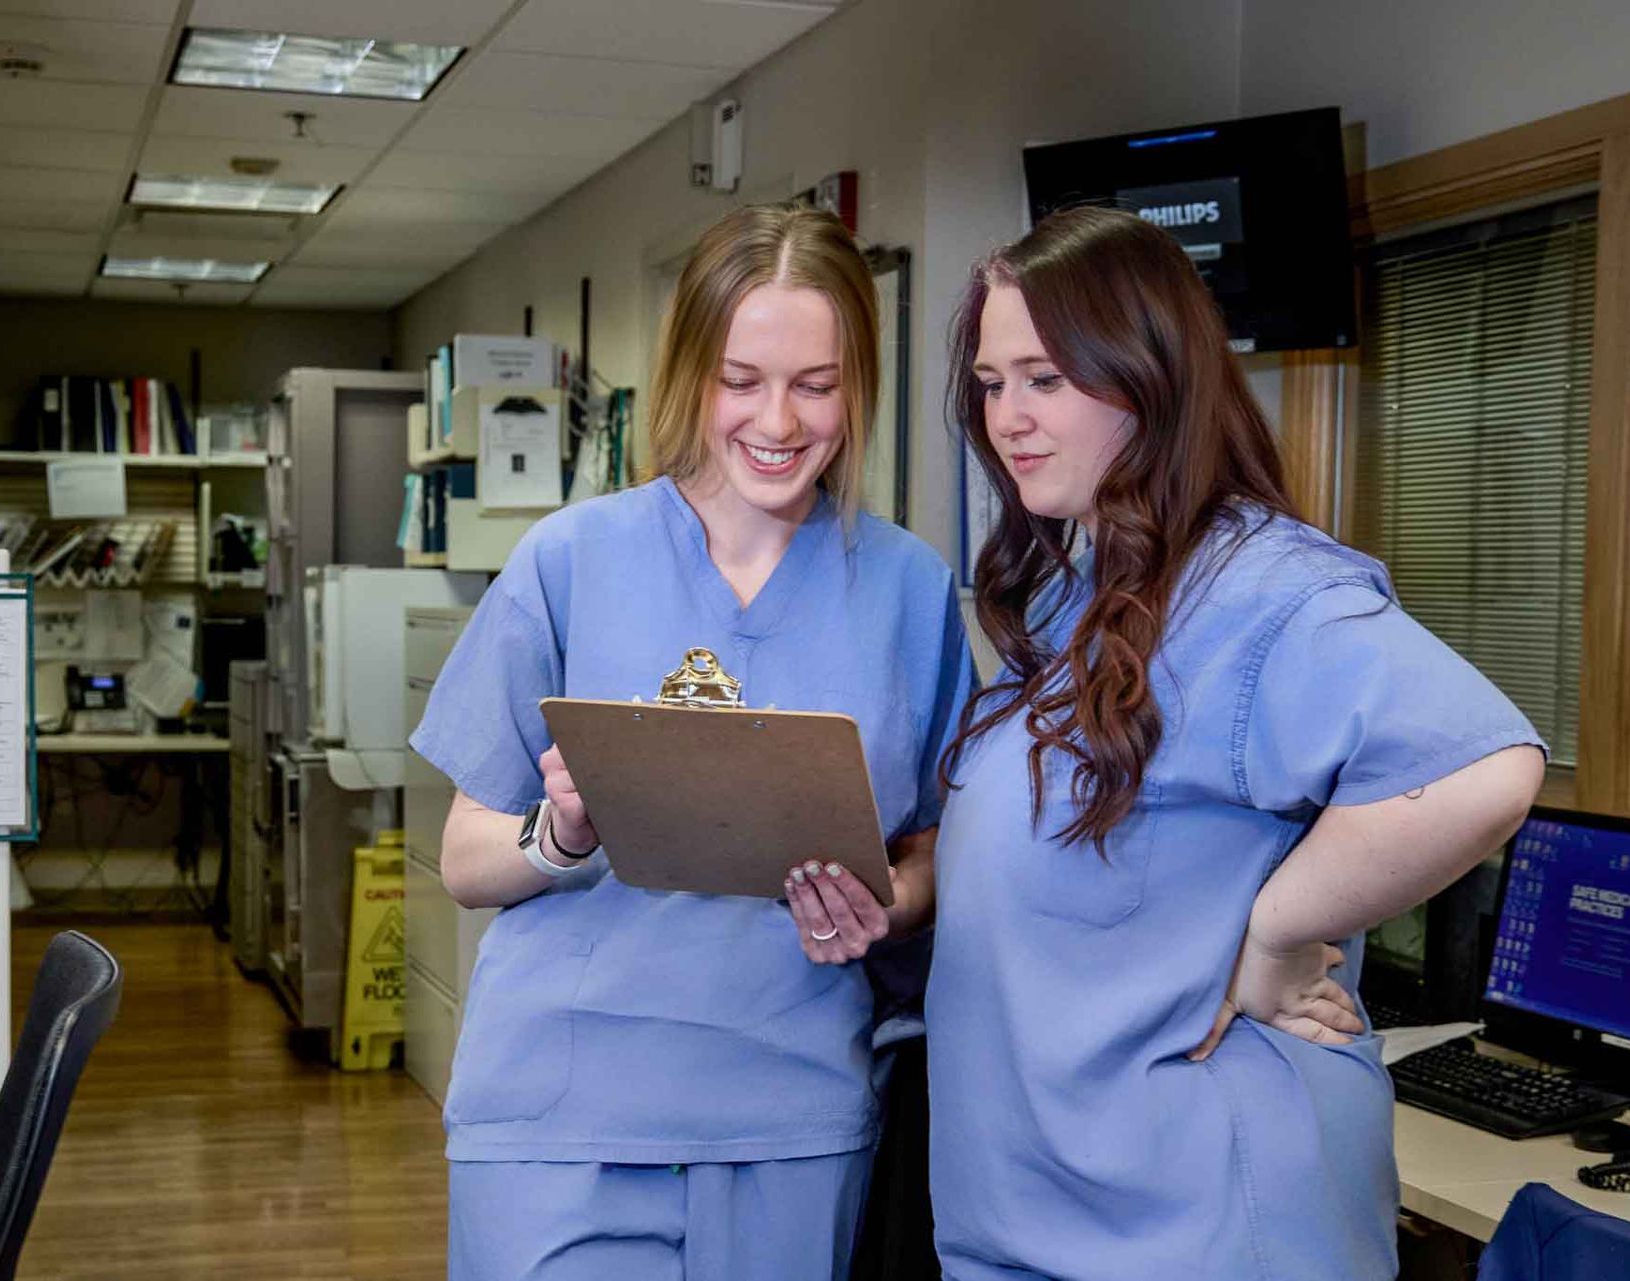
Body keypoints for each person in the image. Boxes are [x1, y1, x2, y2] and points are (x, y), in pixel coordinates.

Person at [924, 206, 1546, 1280]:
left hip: (1200, 1220)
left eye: (1047, 379)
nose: (1008, 418)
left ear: (1150, 377)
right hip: (1041, 1204)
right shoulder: (1085, 597)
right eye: (992, 383)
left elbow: (1483, 767)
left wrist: (1277, 932)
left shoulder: (1253, 585)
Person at [411, 203, 975, 1281]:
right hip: (561, 1109)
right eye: (741, 379)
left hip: (792, 1114)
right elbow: (463, 861)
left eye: (817, 383)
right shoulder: (570, 560)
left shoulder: (907, 589)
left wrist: (886, 906)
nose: (779, 420)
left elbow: (938, 849)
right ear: (689, 377)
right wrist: (566, 835)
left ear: (859, 386)